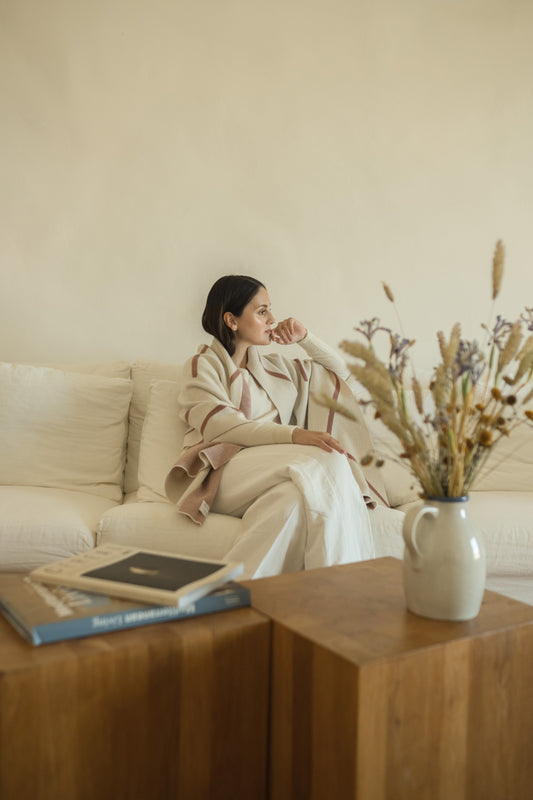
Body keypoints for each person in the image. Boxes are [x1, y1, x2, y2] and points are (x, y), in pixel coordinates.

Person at [165, 275, 388, 579]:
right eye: (261, 312)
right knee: (329, 457)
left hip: (274, 473)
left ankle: (232, 595)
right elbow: (223, 428)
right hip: (223, 472)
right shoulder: (202, 366)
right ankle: (344, 590)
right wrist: (296, 435)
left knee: (291, 504)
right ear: (231, 319)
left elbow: (342, 376)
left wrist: (305, 337)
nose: (272, 319)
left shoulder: (276, 370)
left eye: (270, 310)